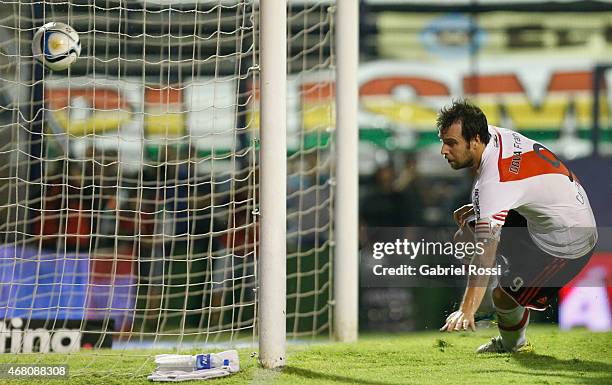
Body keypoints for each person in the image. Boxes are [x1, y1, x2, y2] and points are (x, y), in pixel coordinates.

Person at [436, 100, 597, 353]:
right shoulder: (495, 135)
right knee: (466, 232)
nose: (443, 150)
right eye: (443, 141)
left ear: (476, 140)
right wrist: (485, 210)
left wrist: (466, 310)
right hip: (558, 215)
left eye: (452, 143)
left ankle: (514, 345)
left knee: (502, 295)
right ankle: (502, 281)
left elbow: (483, 253)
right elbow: (520, 184)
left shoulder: (494, 180)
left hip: (568, 245)